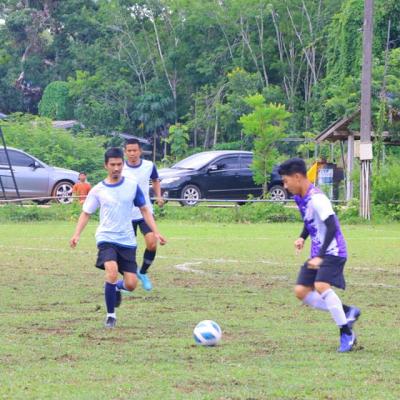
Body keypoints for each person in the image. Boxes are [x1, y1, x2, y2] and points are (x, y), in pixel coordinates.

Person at [70, 147, 167, 328]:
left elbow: (144, 209)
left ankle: (115, 287)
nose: (116, 168)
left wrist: (156, 231)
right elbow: (86, 213)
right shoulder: (98, 190)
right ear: (106, 166)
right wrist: (76, 234)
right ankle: (111, 316)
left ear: (123, 165)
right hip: (106, 237)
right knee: (112, 271)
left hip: (127, 240)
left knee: (131, 284)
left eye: (119, 164)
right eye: (112, 164)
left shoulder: (132, 186)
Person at [278, 157, 360, 353]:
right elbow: (310, 221)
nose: (285, 186)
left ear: (297, 177)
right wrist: (302, 237)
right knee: (301, 291)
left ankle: (346, 333)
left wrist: (320, 256)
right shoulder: (300, 197)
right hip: (319, 252)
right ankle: (348, 311)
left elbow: (332, 226)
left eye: (286, 181)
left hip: (333, 251)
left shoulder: (318, 198)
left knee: (321, 285)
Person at [122, 138, 164, 291]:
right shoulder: (120, 167)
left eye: (135, 150)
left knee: (152, 243)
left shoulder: (149, 166)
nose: (132, 153)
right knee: (128, 248)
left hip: (145, 211)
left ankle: (143, 272)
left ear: (140, 151)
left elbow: (155, 180)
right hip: (126, 213)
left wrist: (158, 196)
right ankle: (128, 279)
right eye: (129, 151)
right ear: (125, 152)